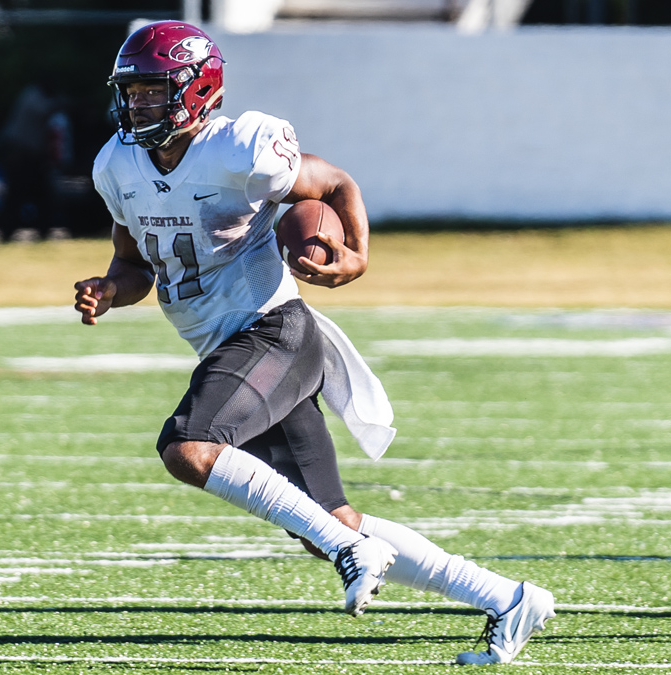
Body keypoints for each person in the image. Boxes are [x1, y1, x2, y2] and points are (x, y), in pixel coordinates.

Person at [73, 21, 554, 665]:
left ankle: (351, 552)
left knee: (188, 447)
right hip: (227, 347)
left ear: (197, 89)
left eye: (154, 93)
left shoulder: (240, 145)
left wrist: (353, 258)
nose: (138, 106)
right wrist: (110, 288)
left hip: (272, 330)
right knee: (331, 521)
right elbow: (135, 262)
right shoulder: (118, 163)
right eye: (131, 93)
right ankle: (508, 597)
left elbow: (332, 185)